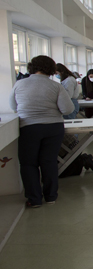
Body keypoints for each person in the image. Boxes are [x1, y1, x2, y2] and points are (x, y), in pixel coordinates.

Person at [9, 55, 74, 208]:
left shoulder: (19, 84)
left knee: (28, 163)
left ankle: (34, 199)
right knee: (49, 161)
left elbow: (13, 106)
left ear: (31, 67)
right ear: (51, 69)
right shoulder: (56, 86)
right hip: (53, 127)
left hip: (29, 127)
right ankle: (51, 196)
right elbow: (67, 109)